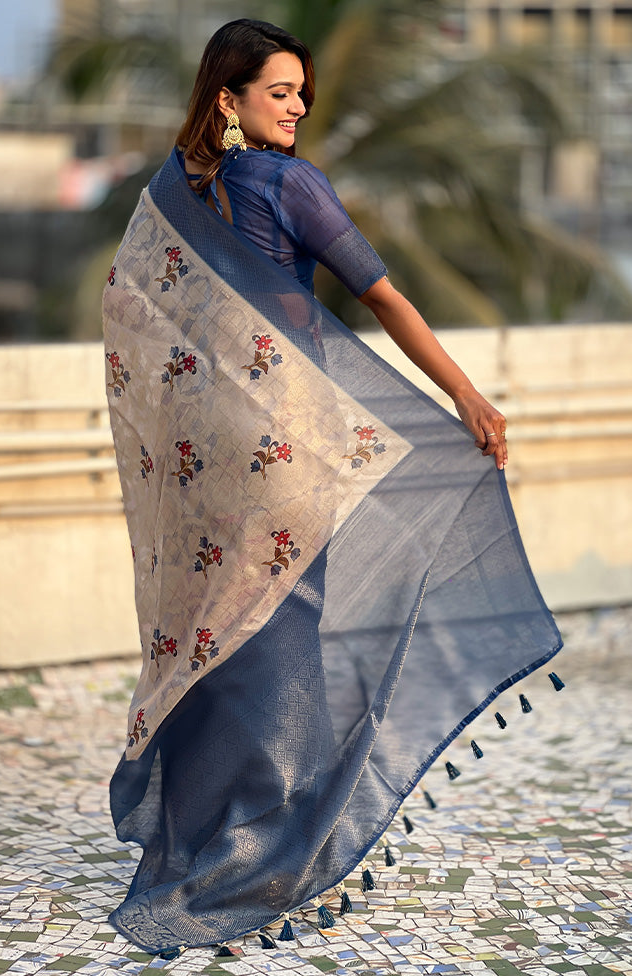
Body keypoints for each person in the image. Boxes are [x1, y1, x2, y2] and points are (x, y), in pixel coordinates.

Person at [103, 18, 562, 956]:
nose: (299, 108)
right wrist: (468, 396)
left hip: (210, 459)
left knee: (220, 629)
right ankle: (264, 845)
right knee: (278, 629)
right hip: (285, 447)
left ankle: (202, 833)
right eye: (281, 93)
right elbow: (385, 298)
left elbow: (131, 311)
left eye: (303, 93)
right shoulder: (285, 183)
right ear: (227, 100)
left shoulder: (178, 195)